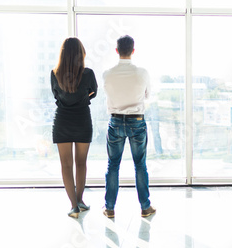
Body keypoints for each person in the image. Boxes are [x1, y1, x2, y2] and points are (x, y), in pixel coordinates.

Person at [102, 35, 155, 219]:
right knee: (140, 165)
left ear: (117, 51)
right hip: (136, 121)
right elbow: (147, 95)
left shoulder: (107, 74)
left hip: (115, 121)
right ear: (133, 50)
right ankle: (145, 207)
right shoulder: (142, 73)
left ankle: (109, 208)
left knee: (113, 165)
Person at [51, 37, 97, 218]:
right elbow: (93, 92)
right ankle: (80, 200)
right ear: (80, 53)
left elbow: (56, 95)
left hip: (62, 120)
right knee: (81, 163)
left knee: (66, 165)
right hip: (83, 119)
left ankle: (74, 206)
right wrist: (83, 98)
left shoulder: (54, 73)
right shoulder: (88, 73)